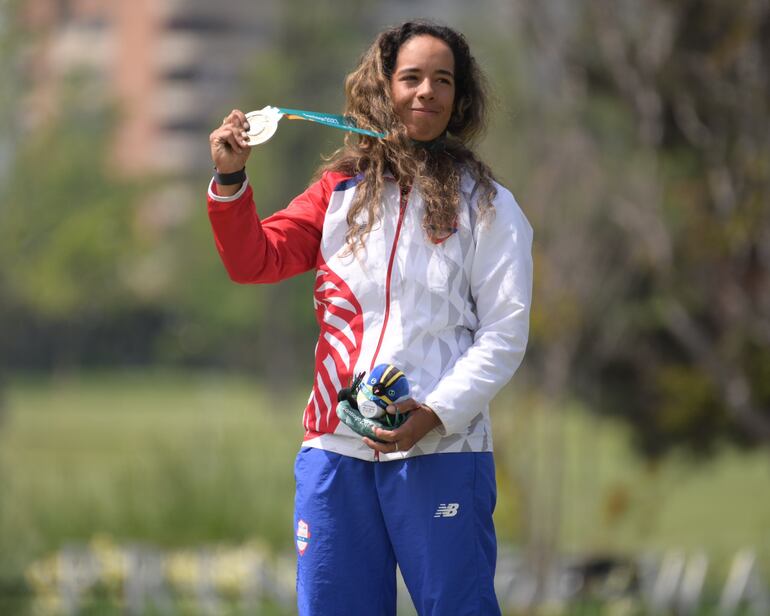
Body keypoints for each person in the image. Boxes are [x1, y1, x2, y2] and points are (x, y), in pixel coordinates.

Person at [207, 20, 533, 616]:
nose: (426, 92)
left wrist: (433, 414)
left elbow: (505, 335)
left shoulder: (488, 206)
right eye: (411, 77)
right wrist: (231, 178)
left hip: (443, 450)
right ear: (384, 86)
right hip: (335, 450)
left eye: (442, 80)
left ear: (460, 99)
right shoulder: (336, 193)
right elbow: (255, 259)